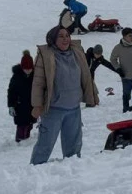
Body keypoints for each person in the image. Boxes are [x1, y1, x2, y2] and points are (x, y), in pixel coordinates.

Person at [30, 26, 100, 164]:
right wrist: (37, 105)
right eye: (60, 36)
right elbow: (38, 82)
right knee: (45, 145)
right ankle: (34, 171)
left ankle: (72, 172)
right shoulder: (46, 55)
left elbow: (86, 75)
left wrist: (93, 94)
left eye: (67, 35)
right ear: (53, 39)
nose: (65, 39)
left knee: (73, 147)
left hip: (74, 108)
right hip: (53, 109)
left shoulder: (77, 52)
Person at [8, 52, 36, 142]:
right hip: (20, 105)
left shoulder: (35, 76)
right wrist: (11, 105)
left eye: (30, 69)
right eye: (26, 69)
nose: (28, 71)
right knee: (21, 124)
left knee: (30, 123)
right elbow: (11, 91)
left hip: (32, 104)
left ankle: (26, 138)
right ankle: (20, 140)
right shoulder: (16, 77)